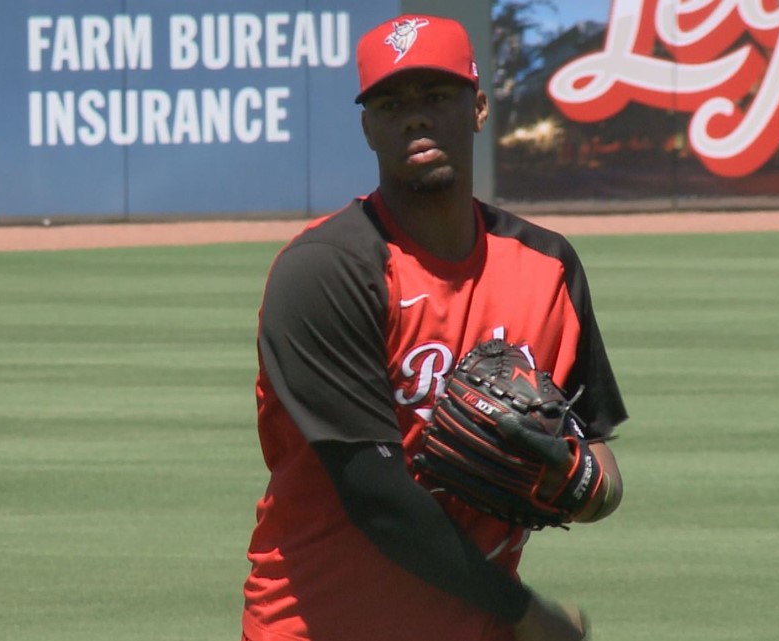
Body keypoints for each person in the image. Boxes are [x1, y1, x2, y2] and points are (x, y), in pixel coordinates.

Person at [242, 14, 627, 641]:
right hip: (322, 625)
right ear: (368, 127)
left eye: (435, 96)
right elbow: (377, 497)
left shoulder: (549, 267)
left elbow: (600, 452)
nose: (414, 117)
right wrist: (527, 614)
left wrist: (581, 481)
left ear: (477, 108)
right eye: (391, 103)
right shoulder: (326, 272)